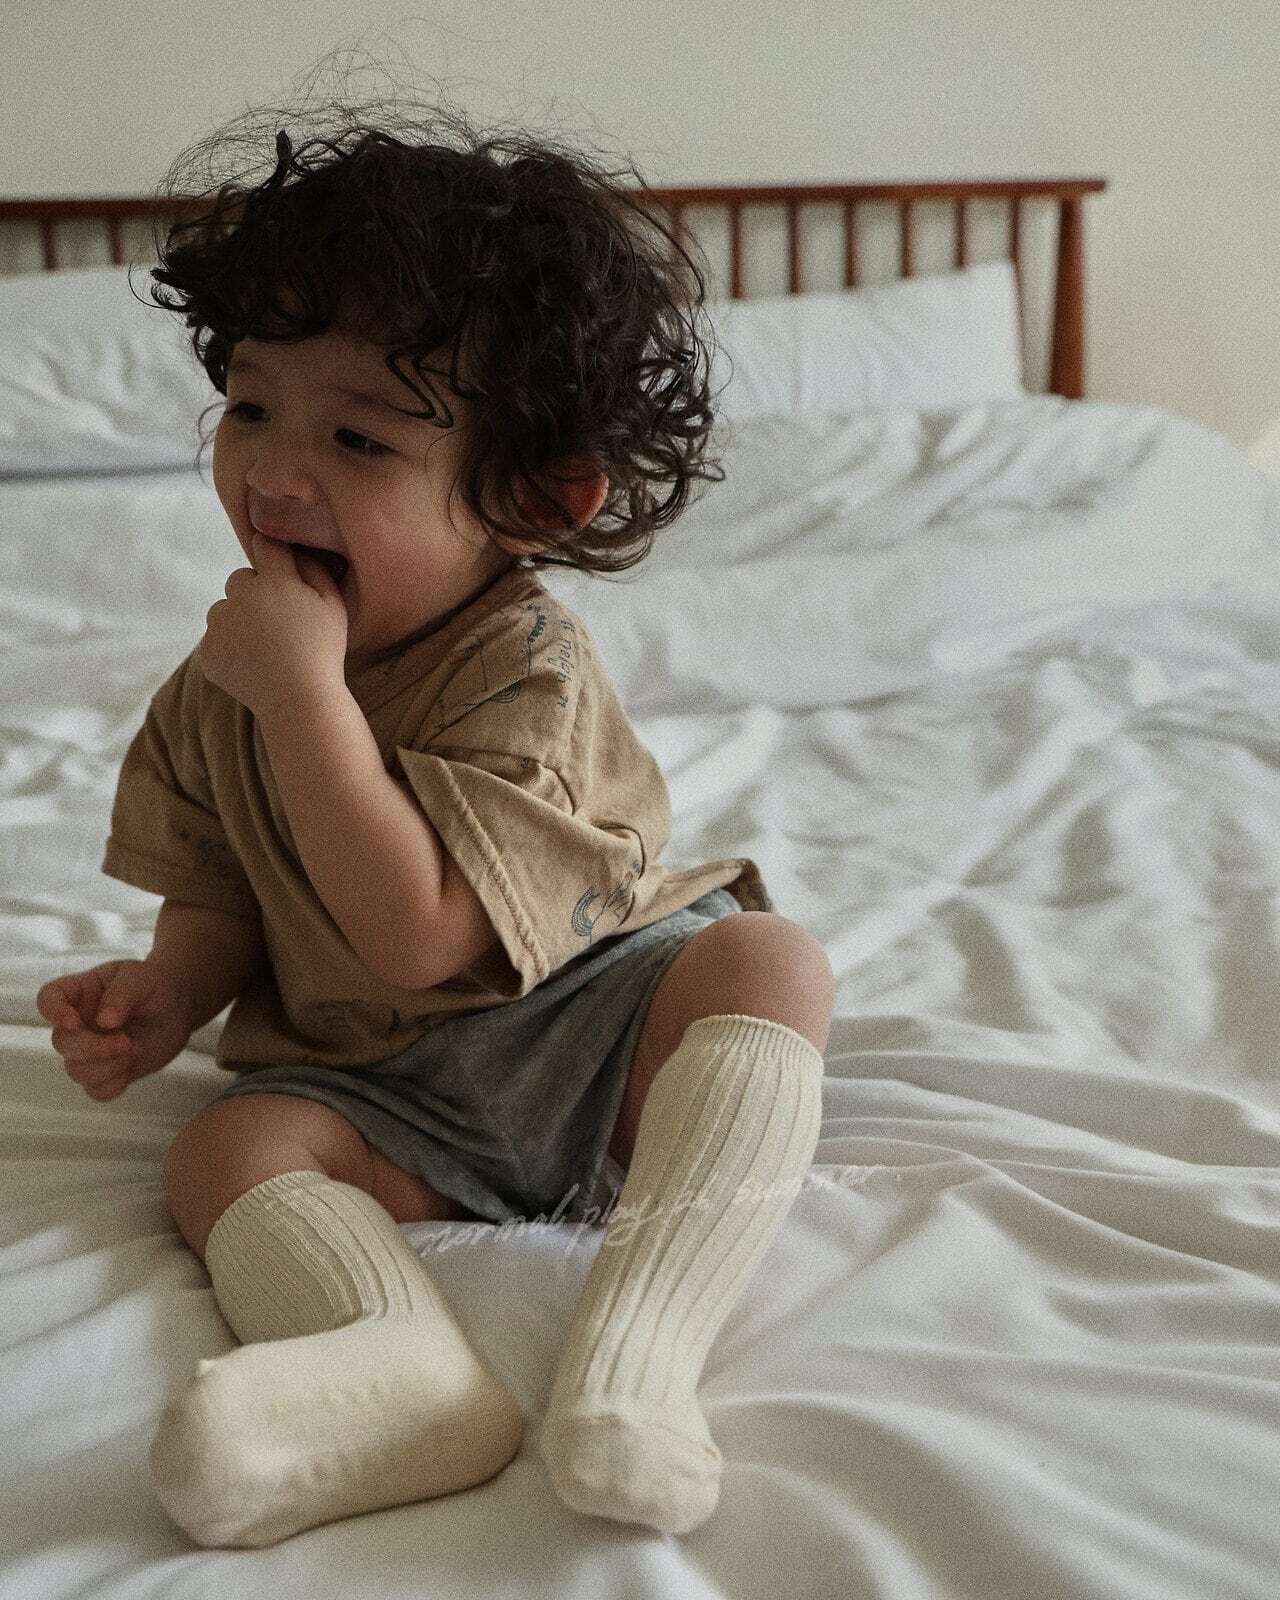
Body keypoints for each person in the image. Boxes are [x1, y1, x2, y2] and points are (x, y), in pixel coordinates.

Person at [35, 100, 835, 1550]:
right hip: (381, 1088)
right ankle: (400, 1375)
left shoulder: (521, 667)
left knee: (765, 962)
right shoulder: (223, 685)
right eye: (252, 408)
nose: (277, 473)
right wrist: (165, 994)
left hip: (588, 1040)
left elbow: (420, 935)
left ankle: (638, 1356)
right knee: (222, 1150)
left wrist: (303, 699)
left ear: (533, 497)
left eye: (359, 437)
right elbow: (222, 892)